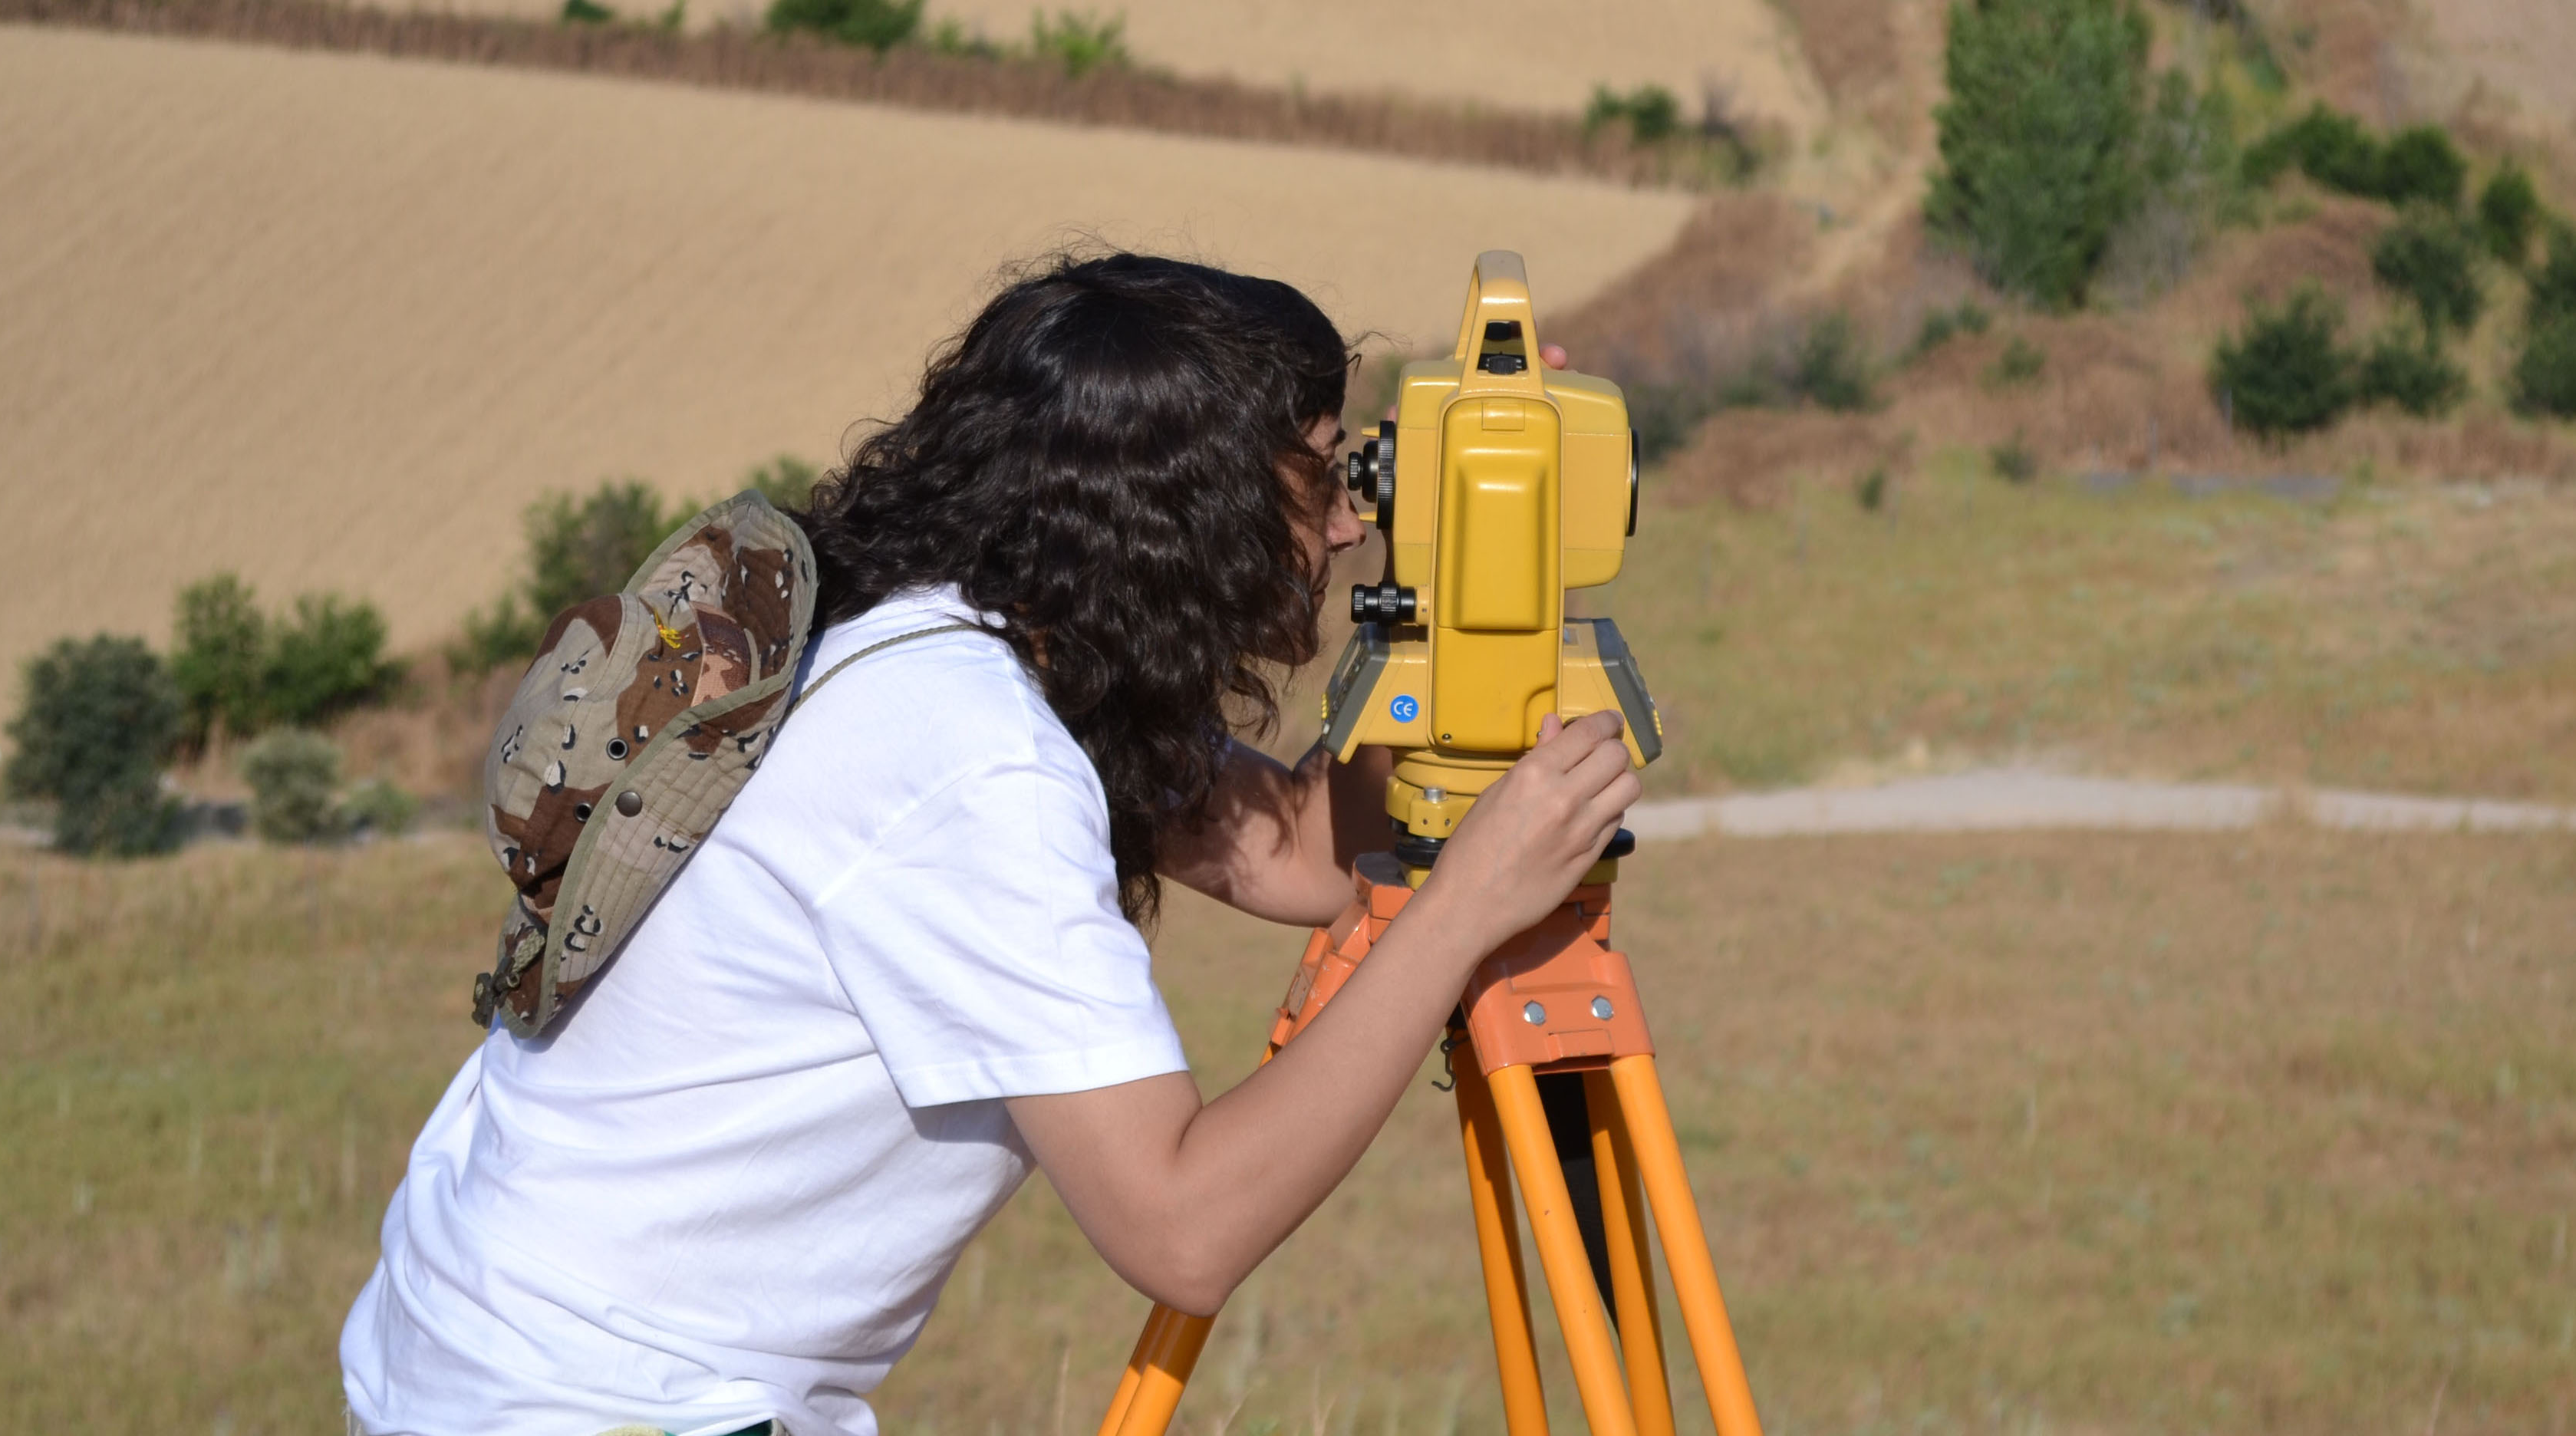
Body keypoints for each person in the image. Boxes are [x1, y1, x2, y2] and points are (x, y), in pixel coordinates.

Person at [341, 253, 1639, 1436]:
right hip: (595, 1404)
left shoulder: (954, 639)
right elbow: (1183, 1225)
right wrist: (1462, 909)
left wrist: (1483, 552)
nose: (1352, 520)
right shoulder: (969, 756)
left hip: (487, 1355)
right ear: (1194, 504)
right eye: (1322, 470)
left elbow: (1304, 847)